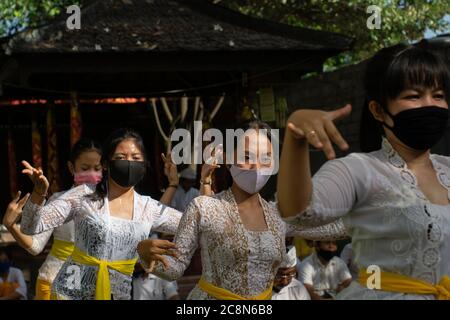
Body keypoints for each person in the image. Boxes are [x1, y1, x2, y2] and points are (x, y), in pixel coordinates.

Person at [277, 43, 450, 299]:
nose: (430, 105)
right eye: (414, 96)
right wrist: (295, 138)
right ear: (378, 110)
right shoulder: (359, 170)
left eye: (438, 95)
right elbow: (298, 212)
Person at [139, 120, 347, 300]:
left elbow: (336, 229)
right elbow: (175, 268)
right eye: (247, 157)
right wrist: (145, 254)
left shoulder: (279, 215)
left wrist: (372, 210)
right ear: (229, 160)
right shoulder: (204, 207)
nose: (256, 166)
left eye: (265, 158)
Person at [20, 128, 183, 300]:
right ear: (105, 163)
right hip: (69, 293)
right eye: (121, 157)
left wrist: (204, 182)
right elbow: (30, 226)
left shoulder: (149, 208)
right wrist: (38, 194)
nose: (128, 163)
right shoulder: (82, 196)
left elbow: (197, 224)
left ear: (144, 165)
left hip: (117, 295)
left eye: (135, 158)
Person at [2, 138, 102, 300]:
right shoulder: (58, 201)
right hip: (53, 282)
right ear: (71, 167)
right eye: (85, 168)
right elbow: (35, 246)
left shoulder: (110, 203)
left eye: (97, 168)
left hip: (93, 285)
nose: (92, 173)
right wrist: (11, 226)